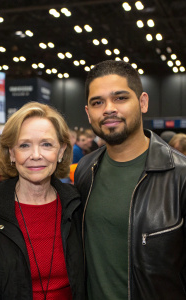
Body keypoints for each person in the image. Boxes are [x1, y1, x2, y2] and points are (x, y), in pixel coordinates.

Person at [74, 59, 186, 299]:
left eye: (120, 98)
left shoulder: (180, 175)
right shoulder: (85, 170)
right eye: (97, 102)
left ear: (143, 102)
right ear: (88, 113)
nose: (108, 109)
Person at [0, 102, 85, 299]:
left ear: (61, 151)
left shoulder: (77, 204)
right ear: (12, 153)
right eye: (24, 145)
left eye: (46, 144)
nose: (36, 155)